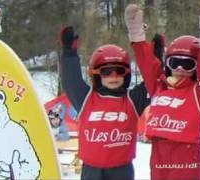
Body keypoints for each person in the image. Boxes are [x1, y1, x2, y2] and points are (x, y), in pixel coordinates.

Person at [125, 3, 200, 179]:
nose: (180, 68)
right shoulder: (159, 87)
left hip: (186, 155)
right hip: (159, 154)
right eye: (174, 62)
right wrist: (137, 36)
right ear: (167, 64)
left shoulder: (199, 92)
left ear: (196, 67)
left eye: (187, 63)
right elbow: (148, 65)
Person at [59, 26, 150, 179]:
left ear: (126, 75)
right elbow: (71, 81)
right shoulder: (86, 98)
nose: (113, 77)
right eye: (106, 72)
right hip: (92, 170)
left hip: (121, 170)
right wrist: (69, 54)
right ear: (96, 74)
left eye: (119, 71)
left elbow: (151, 79)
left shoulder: (132, 100)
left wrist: (155, 54)